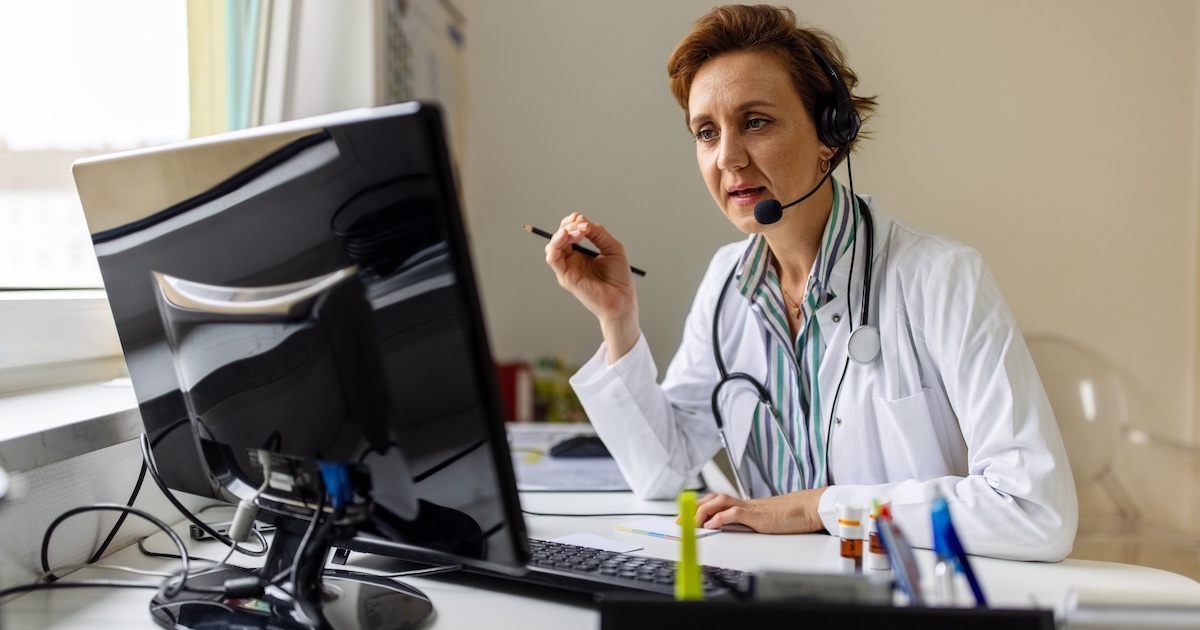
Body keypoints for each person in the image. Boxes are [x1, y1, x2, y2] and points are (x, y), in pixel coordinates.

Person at [542, 4, 1077, 562]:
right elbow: (664, 470)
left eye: (756, 122)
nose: (728, 158)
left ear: (830, 135)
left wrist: (818, 509)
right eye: (707, 132)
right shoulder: (728, 282)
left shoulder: (940, 277)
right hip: (772, 589)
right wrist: (617, 320)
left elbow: (1034, 510)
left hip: (905, 592)